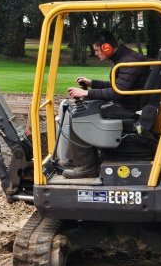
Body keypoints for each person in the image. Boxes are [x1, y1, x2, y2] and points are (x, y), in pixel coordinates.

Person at [57, 30, 151, 178]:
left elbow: (118, 92)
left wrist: (86, 93)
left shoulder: (129, 62)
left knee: (81, 115)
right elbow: (118, 86)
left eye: (96, 50)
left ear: (106, 47)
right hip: (129, 103)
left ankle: (87, 166)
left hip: (130, 108)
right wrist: (92, 83)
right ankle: (76, 159)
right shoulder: (126, 58)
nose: (95, 53)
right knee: (83, 109)